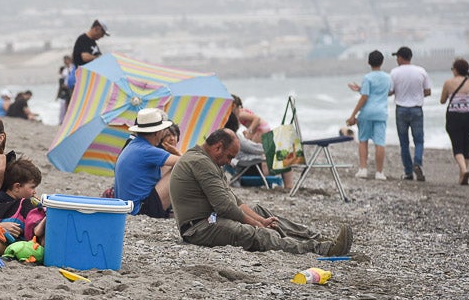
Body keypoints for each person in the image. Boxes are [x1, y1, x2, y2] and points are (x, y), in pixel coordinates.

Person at [170, 129, 354, 256]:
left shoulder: (210, 161)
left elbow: (234, 199)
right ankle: (322, 249)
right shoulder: (199, 162)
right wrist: (258, 226)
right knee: (256, 234)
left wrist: (261, 220)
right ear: (218, 147)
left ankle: (319, 239)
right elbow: (225, 207)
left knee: (261, 212)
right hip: (199, 227)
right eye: (229, 157)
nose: (229, 162)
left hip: (212, 218)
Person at [111, 108, 181, 218]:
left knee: (167, 166)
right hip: (141, 210)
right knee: (179, 169)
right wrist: (177, 152)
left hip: (128, 207)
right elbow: (185, 162)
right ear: (157, 133)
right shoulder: (147, 150)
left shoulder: (133, 144)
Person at [389, 46, 433, 181]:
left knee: (404, 142)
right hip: (416, 109)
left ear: (401, 58)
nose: (397, 59)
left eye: (397, 57)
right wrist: (416, 95)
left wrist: (400, 92)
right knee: (419, 140)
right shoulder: (421, 71)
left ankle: (408, 172)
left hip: (401, 109)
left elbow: (390, 91)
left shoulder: (394, 72)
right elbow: (428, 91)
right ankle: (417, 163)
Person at [347, 50, 392, 180]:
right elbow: (386, 92)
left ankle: (363, 169)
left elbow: (365, 97)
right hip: (381, 113)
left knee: (363, 140)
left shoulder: (367, 78)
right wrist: (361, 89)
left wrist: (353, 115)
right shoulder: (387, 77)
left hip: (366, 113)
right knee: (380, 143)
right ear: (382, 62)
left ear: (368, 62)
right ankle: (379, 172)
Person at [441, 58, 469, 186]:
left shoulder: (448, 82)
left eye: (452, 68)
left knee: (457, 146)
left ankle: (464, 171)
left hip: (455, 117)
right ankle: (462, 177)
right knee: (466, 147)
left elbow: (442, 100)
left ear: (456, 70)